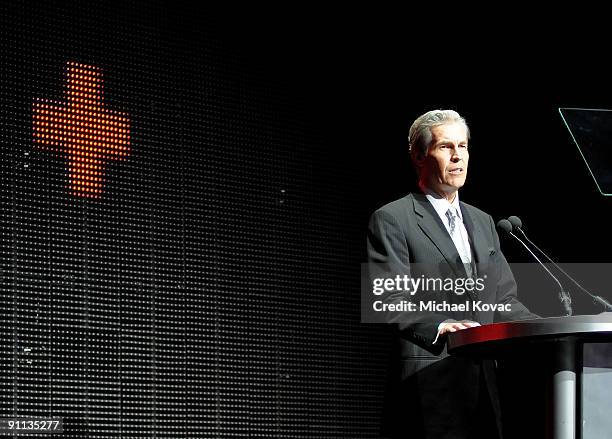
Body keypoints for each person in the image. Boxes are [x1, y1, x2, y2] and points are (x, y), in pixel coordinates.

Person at [367, 109, 538, 438]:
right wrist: (441, 324)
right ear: (419, 156)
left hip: (483, 385)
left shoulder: (484, 221)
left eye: (464, 146)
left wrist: (537, 327)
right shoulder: (393, 218)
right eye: (446, 147)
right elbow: (388, 299)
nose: (458, 156)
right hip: (429, 383)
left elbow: (503, 299)